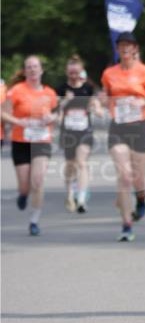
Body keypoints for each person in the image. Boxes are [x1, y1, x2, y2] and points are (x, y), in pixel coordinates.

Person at [100, 33, 145, 242]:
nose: (125, 49)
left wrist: (143, 101)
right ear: (117, 49)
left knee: (138, 179)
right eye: (121, 45)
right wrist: (101, 100)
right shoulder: (109, 73)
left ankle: (141, 198)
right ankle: (126, 224)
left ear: (135, 48)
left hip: (140, 126)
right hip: (118, 128)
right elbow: (105, 95)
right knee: (124, 176)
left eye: (129, 45)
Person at [1, 56, 59, 236]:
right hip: (21, 142)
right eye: (29, 67)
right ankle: (23, 194)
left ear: (41, 70)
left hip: (41, 141)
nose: (33, 70)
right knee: (25, 185)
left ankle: (34, 220)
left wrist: (52, 118)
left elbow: (57, 114)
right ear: (25, 71)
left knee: (38, 180)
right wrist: (19, 121)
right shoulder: (16, 91)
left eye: (35, 67)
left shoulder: (50, 93)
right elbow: (4, 114)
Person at [56, 54, 100, 213]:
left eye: (76, 72)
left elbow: (97, 106)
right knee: (70, 164)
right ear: (67, 73)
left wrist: (95, 108)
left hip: (85, 131)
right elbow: (56, 111)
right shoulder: (61, 88)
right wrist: (65, 101)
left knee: (82, 163)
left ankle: (81, 199)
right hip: (68, 132)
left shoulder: (88, 88)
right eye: (71, 73)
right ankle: (69, 192)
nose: (73, 76)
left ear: (81, 71)